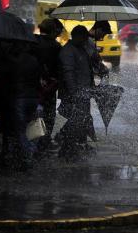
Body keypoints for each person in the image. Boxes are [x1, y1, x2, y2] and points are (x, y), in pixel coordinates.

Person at [0, 41, 41, 170]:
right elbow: (37, 79)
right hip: (32, 97)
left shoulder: (11, 61)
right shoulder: (34, 60)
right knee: (30, 127)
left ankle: (27, 155)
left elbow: (6, 81)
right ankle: (29, 152)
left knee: (20, 129)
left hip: (19, 98)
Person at [57, 25, 93, 160]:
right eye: (84, 38)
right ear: (77, 36)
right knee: (74, 122)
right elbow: (68, 73)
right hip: (74, 94)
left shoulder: (80, 49)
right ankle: (67, 150)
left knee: (79, 122)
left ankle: (69, 149)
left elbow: (85, 70)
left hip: (83, 93)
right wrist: (73, 93)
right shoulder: (68, 51)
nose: (85, 41)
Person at [33, 18, 63, 158]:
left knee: (34, 116)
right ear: (52, 31)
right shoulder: (55, 46)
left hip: (33, 86)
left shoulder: (32, 42)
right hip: (49, 87)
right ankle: (43, 145)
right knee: (49, 117)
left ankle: (32, 144)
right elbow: (59, 68)